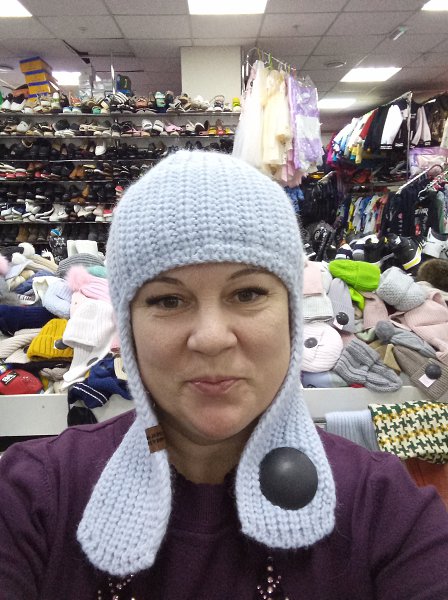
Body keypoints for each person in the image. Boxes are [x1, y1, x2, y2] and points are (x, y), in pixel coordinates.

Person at [0, 151, 447, 599]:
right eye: (168, 300)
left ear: (293, 315)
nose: (212, 338)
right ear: (127, 325)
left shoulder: (385, 509)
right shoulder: (34, 495)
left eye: (247, 293)